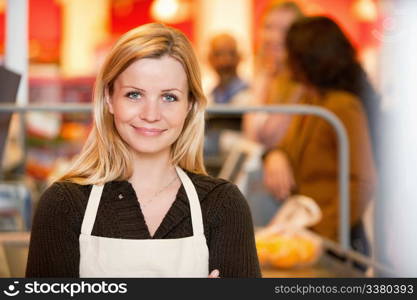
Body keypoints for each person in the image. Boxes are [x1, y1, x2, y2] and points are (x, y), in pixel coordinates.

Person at [25, 23, 261, 278]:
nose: (151, 115)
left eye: (169, 97)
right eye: (134, 95)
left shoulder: (223, 205)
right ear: (109, 99)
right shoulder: (63, 205)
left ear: (190, 105)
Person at [264, 16, 378, 257]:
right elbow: (289, 146)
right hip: (309, 233)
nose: (286, 59)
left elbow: (362, 182)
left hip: (334, 242)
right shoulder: (311, 100)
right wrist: (276, 154)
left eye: (291, 52)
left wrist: (322, 234)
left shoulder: (343, 106)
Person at [244, 0, 305, 150]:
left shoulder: (304, 86)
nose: (273, 36)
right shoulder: (262, 78)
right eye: (268, 27)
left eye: (285, 30)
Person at [207, 33, 250, 106]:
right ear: (210, 59)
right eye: (218, 54)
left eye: (231, 54)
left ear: (239, 57)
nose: (225, 62)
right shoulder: (208, 94)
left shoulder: (250, 94)